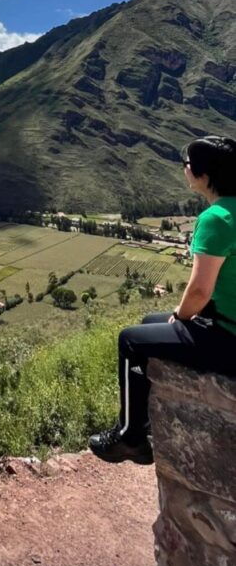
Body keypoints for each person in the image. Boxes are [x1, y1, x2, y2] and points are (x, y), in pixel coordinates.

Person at [89, 135, 236, 464]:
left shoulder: (216, 219)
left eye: (188, 165)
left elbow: (199, 292)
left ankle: (130, 437)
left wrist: (182, 316)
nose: (185, 169)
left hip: (228, 335)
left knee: (130, 340)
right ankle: (143, 421)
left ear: (204, 175)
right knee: (148, 324)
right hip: (227, 320)